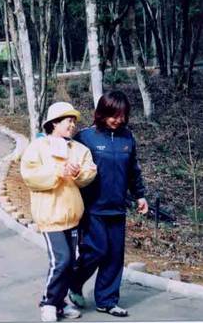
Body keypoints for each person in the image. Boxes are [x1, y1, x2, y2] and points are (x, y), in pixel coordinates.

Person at [68, 91, 149, 318]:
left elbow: (133, 171)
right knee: (96, 250)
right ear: (102, 113)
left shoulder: (127, 138)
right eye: (114, 115)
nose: (118, 120)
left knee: (114, 256)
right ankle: (73, 282)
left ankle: (106, 300)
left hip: (117, 208)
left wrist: (140, 196)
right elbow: (65, 157)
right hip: (92, 207)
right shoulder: (86, 137)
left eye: (123, 115)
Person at [20, 102, 97, 322]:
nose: (72, 125)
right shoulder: (38, 147)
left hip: (73, 216)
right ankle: (48, 302)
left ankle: (60, 303)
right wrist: (58, 171)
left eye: (74, 121)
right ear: (54, 123)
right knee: (61, 260)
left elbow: (89, 172)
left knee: (71, 263)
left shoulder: (79, 149)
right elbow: (30, 176)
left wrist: (78, 173)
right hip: (50, 216)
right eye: (67, 121)